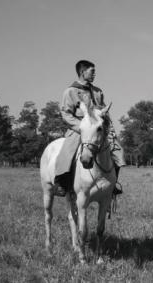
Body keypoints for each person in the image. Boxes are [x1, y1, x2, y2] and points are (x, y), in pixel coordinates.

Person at [54, 60, 126, 196]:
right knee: (68, 151)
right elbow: (66, 114)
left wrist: (110, 131)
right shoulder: (70, 91)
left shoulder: (98, 91)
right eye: (92, 72)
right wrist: (81, 127)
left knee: (118, 150)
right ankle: (62, 183)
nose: (94, 74)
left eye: (94, 72)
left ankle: (113, 183)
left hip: (98, 128)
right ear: (82, 72)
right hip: (79, 129)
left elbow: (105, 113)